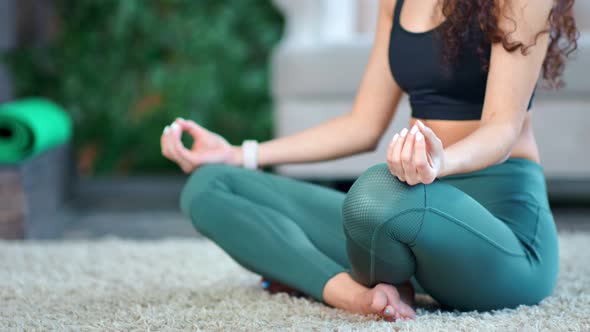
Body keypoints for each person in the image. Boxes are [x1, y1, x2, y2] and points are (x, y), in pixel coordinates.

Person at [160, 0, 578, 322]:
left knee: (374, 195)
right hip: (404, 219)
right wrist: (240, 153)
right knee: (210, 184)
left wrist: (438, 163)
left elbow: (502, 130)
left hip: (501, 238)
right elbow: (363, 124)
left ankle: (369, 270)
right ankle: (352, 292)